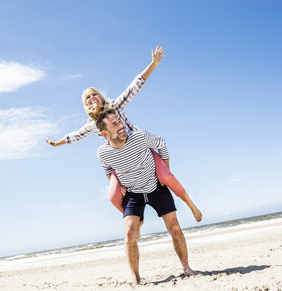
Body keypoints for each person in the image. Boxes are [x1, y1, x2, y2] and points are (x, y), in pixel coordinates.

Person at [46, 46, 202, 222]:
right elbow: (72, 137)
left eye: (94, 94)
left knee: (166, 176)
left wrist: (154, 63)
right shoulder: (91, 125)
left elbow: (135, 86)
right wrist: (55, 143)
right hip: (120, 160)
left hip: (139, 150)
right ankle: (136, 218)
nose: (92, 98)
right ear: (86, 105)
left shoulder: (115, 106)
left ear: (100, 96)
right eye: (88, 97)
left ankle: (190, 204)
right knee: (113, 197)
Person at [95, 108, 196, 285]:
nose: (121, 125)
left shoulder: (139, 137)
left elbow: (161, 143)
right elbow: (107, 170)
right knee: (129, 233)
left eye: (119, 121)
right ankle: (135, 277)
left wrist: (165, 170)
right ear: (105, 133)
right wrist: (119, 184)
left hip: (156, 186)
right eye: (115, 124)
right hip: (133, 193)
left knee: (175, 229)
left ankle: (186, 267)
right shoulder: (103, 153)